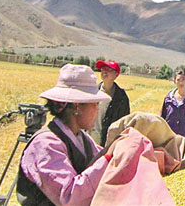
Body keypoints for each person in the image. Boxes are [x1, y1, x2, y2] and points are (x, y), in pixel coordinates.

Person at [17, 64, 119, 206]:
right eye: (94, 103)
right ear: (77, 106)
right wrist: (109, 157)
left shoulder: (81, 138)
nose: (97, 109)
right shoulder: (46, 144)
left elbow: (99, 158)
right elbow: (70, 197)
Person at [88, 60, 130, 146]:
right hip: (89, 140)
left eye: (109, 69)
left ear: (116, 75)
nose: (105, 71)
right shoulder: (92, 92)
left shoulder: (121, 98)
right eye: (103, 69)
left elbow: (124, 123)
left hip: (108, 143)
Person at [160, 69, 185, 139]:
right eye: (178, 80)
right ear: (174, 81)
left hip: (184, 138)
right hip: (168, 137)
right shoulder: (168, 98)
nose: (181, 82)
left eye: (183, 79)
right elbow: (162, 117)